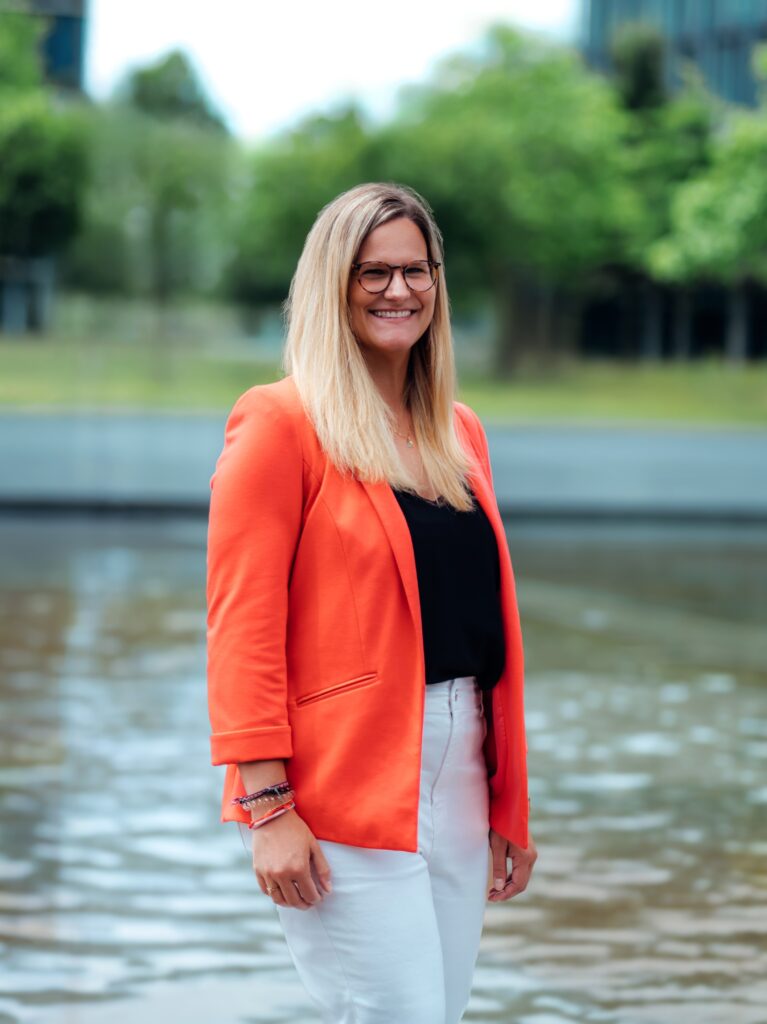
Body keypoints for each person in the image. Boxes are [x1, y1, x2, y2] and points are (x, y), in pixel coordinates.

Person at [206, 181, 537, 1023]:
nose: (398, 290)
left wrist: (507, 801)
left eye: (415, 270)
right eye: (372, 272)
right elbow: (241, 624)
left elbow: (480, 626)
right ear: (335, 284)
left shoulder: (459, 431)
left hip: (463, 769)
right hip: (340, 777)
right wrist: (267, 806)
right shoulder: (279, 422)